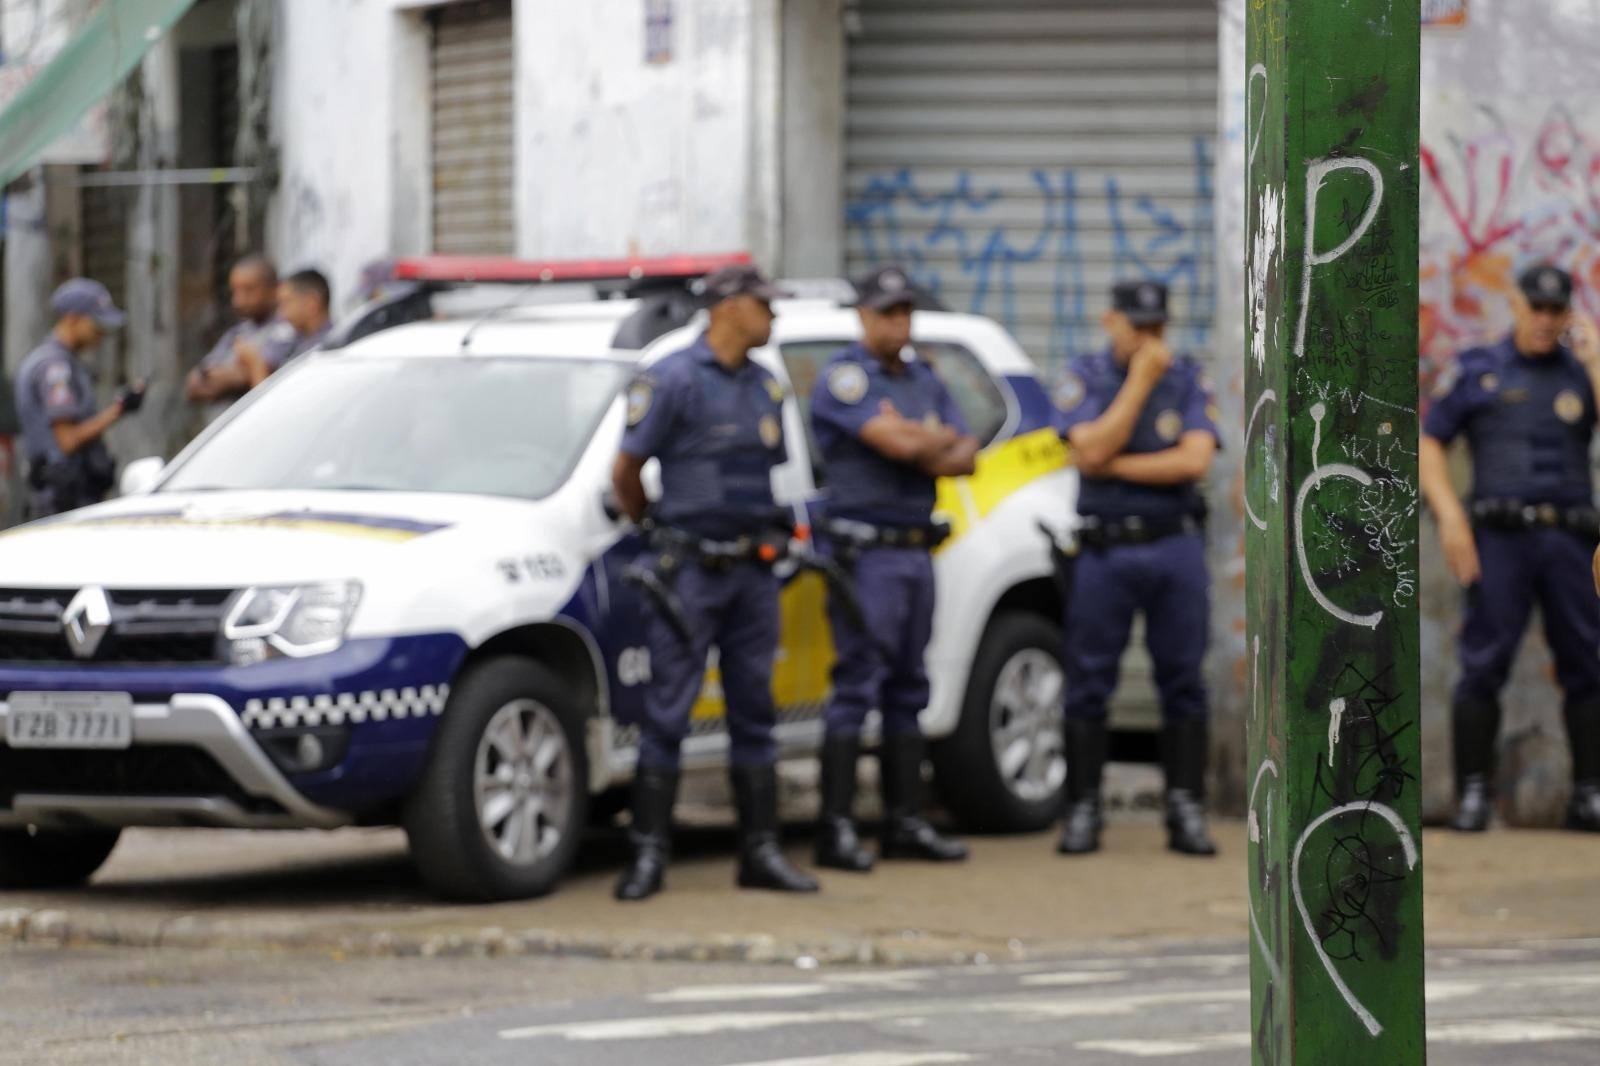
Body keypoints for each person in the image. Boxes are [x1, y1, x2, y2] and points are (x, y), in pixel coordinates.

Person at [610, 263, 819, 901]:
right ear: (728, 308)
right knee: (668, 713)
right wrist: (660, 533)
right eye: (765, 305)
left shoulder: (765, 386)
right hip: (690, 574)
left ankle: (759, 852)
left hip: (753, 575)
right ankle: (649, 857)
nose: (774, 317)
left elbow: (769, 476)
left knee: (755, 710)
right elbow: (627, 472)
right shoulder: (672, 378)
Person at [807, 265, 978, 872]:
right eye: (887, 313)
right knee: (859, 684)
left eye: (905, 311)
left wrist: (922, 438)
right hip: (865, 554)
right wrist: (925, 439)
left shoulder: (924, 376)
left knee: (909, 685)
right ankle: (836, 829)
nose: (898, 322)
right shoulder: (847, 379)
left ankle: (904, 823)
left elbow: (966, 455)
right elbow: (909, 448)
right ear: (863, 316)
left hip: (913, 550)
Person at [1421, 263, 1600, 833]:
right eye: (1537, 308)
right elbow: (1429, 442)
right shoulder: (1481, 371)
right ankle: (1474, 795)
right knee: (1482, 664)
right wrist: (1450, 518)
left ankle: (1589, 795)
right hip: (1498, 540)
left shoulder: (1580, 373)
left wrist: (1596, 361)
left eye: (1557, 310)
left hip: (1570, 538)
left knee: (1587, 664)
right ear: (1517, 307)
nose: (1546, 321)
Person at [1051, 280, 1220, 857]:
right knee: (1089, 682)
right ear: (1111, 321)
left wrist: (1111, 464)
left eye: (1157, 329)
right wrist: (1139, 383)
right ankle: (1083, 810)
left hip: (1174, 546)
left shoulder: (1188, 376)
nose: (1150, 341)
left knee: (1184, 682)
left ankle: (1185, 810)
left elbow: (1194, 459)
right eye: (1138, 327)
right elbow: (1086, 448)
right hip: (1105, 551)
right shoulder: (1085, 375)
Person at [14, 279, 144, 518]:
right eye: (96, 324)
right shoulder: (55, 368)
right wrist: (118, 410)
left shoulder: (64, 362)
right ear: (72, 318)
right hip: (63, 500)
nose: (101, 334)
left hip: (69, 496)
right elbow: (68, 441)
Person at [183, 254, 282, 407]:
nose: (238, 301)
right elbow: (195, 382)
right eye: (235, 291)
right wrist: (239, 374)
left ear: (273, 289)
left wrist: (241, 374)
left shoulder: (288, 329)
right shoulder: (237, 333)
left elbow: (271, 370)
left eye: (249, 290)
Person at [239, 269, 334, 388]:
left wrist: (256, 364)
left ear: (311, 302)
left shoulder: (327, 349)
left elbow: (278, 404)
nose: (281, 315)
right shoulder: (298, 342)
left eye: (286, 303)